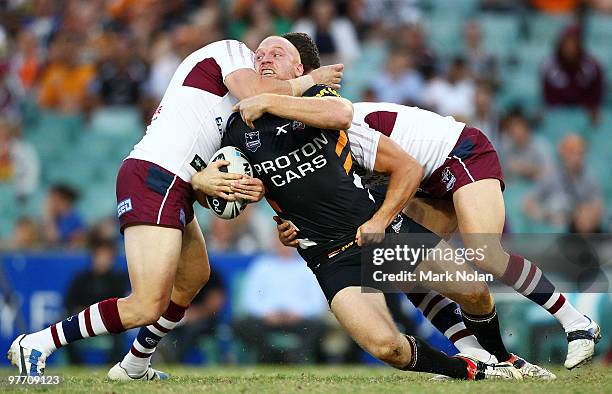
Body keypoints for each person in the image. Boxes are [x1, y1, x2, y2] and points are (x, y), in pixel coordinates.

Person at [235, 32, 600, 372]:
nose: (266, 66)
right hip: (421, 181)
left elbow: (384, 152)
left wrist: (378, 222)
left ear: (301, 74)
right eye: (260, 58)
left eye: (277, 57)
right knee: (400, 267)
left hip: (457, 152)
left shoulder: (330, 113)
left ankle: (575, 321)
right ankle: (475, 349)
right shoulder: (296, 129)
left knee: (484, 252)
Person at [8, 38, 343, 379]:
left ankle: (135, 364)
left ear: (297, 64)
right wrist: (310, 82)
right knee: (145, 304)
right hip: (156, 173)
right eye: (261, 52)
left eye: (276, 54)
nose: (262, 57)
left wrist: (232, 188)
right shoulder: (231, 53)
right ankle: (37, 343)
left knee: (195, 275)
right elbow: (257, 91)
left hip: (174, 182)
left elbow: (206, 177)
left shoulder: (239, 116)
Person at [233, 239, 327, 363]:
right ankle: (268, 355)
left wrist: (298, 313)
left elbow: (317, 303)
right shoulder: (261, 265)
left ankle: (295, 357)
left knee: (320, 327)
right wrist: (267, 314)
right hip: (267, 320)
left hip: (298, 320)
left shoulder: (306, 266)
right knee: (241, 325)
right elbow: (250, 300)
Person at [523, 133, 603, 233]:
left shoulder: (590, 179)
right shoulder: (550, 177)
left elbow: (598, 208)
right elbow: (528, 204)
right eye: (572, 152)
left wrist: (582, 214)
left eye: (580, 153)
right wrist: (547, 215)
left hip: (577, 228)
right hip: (552, 228)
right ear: (563, 153)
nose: (577, 157)